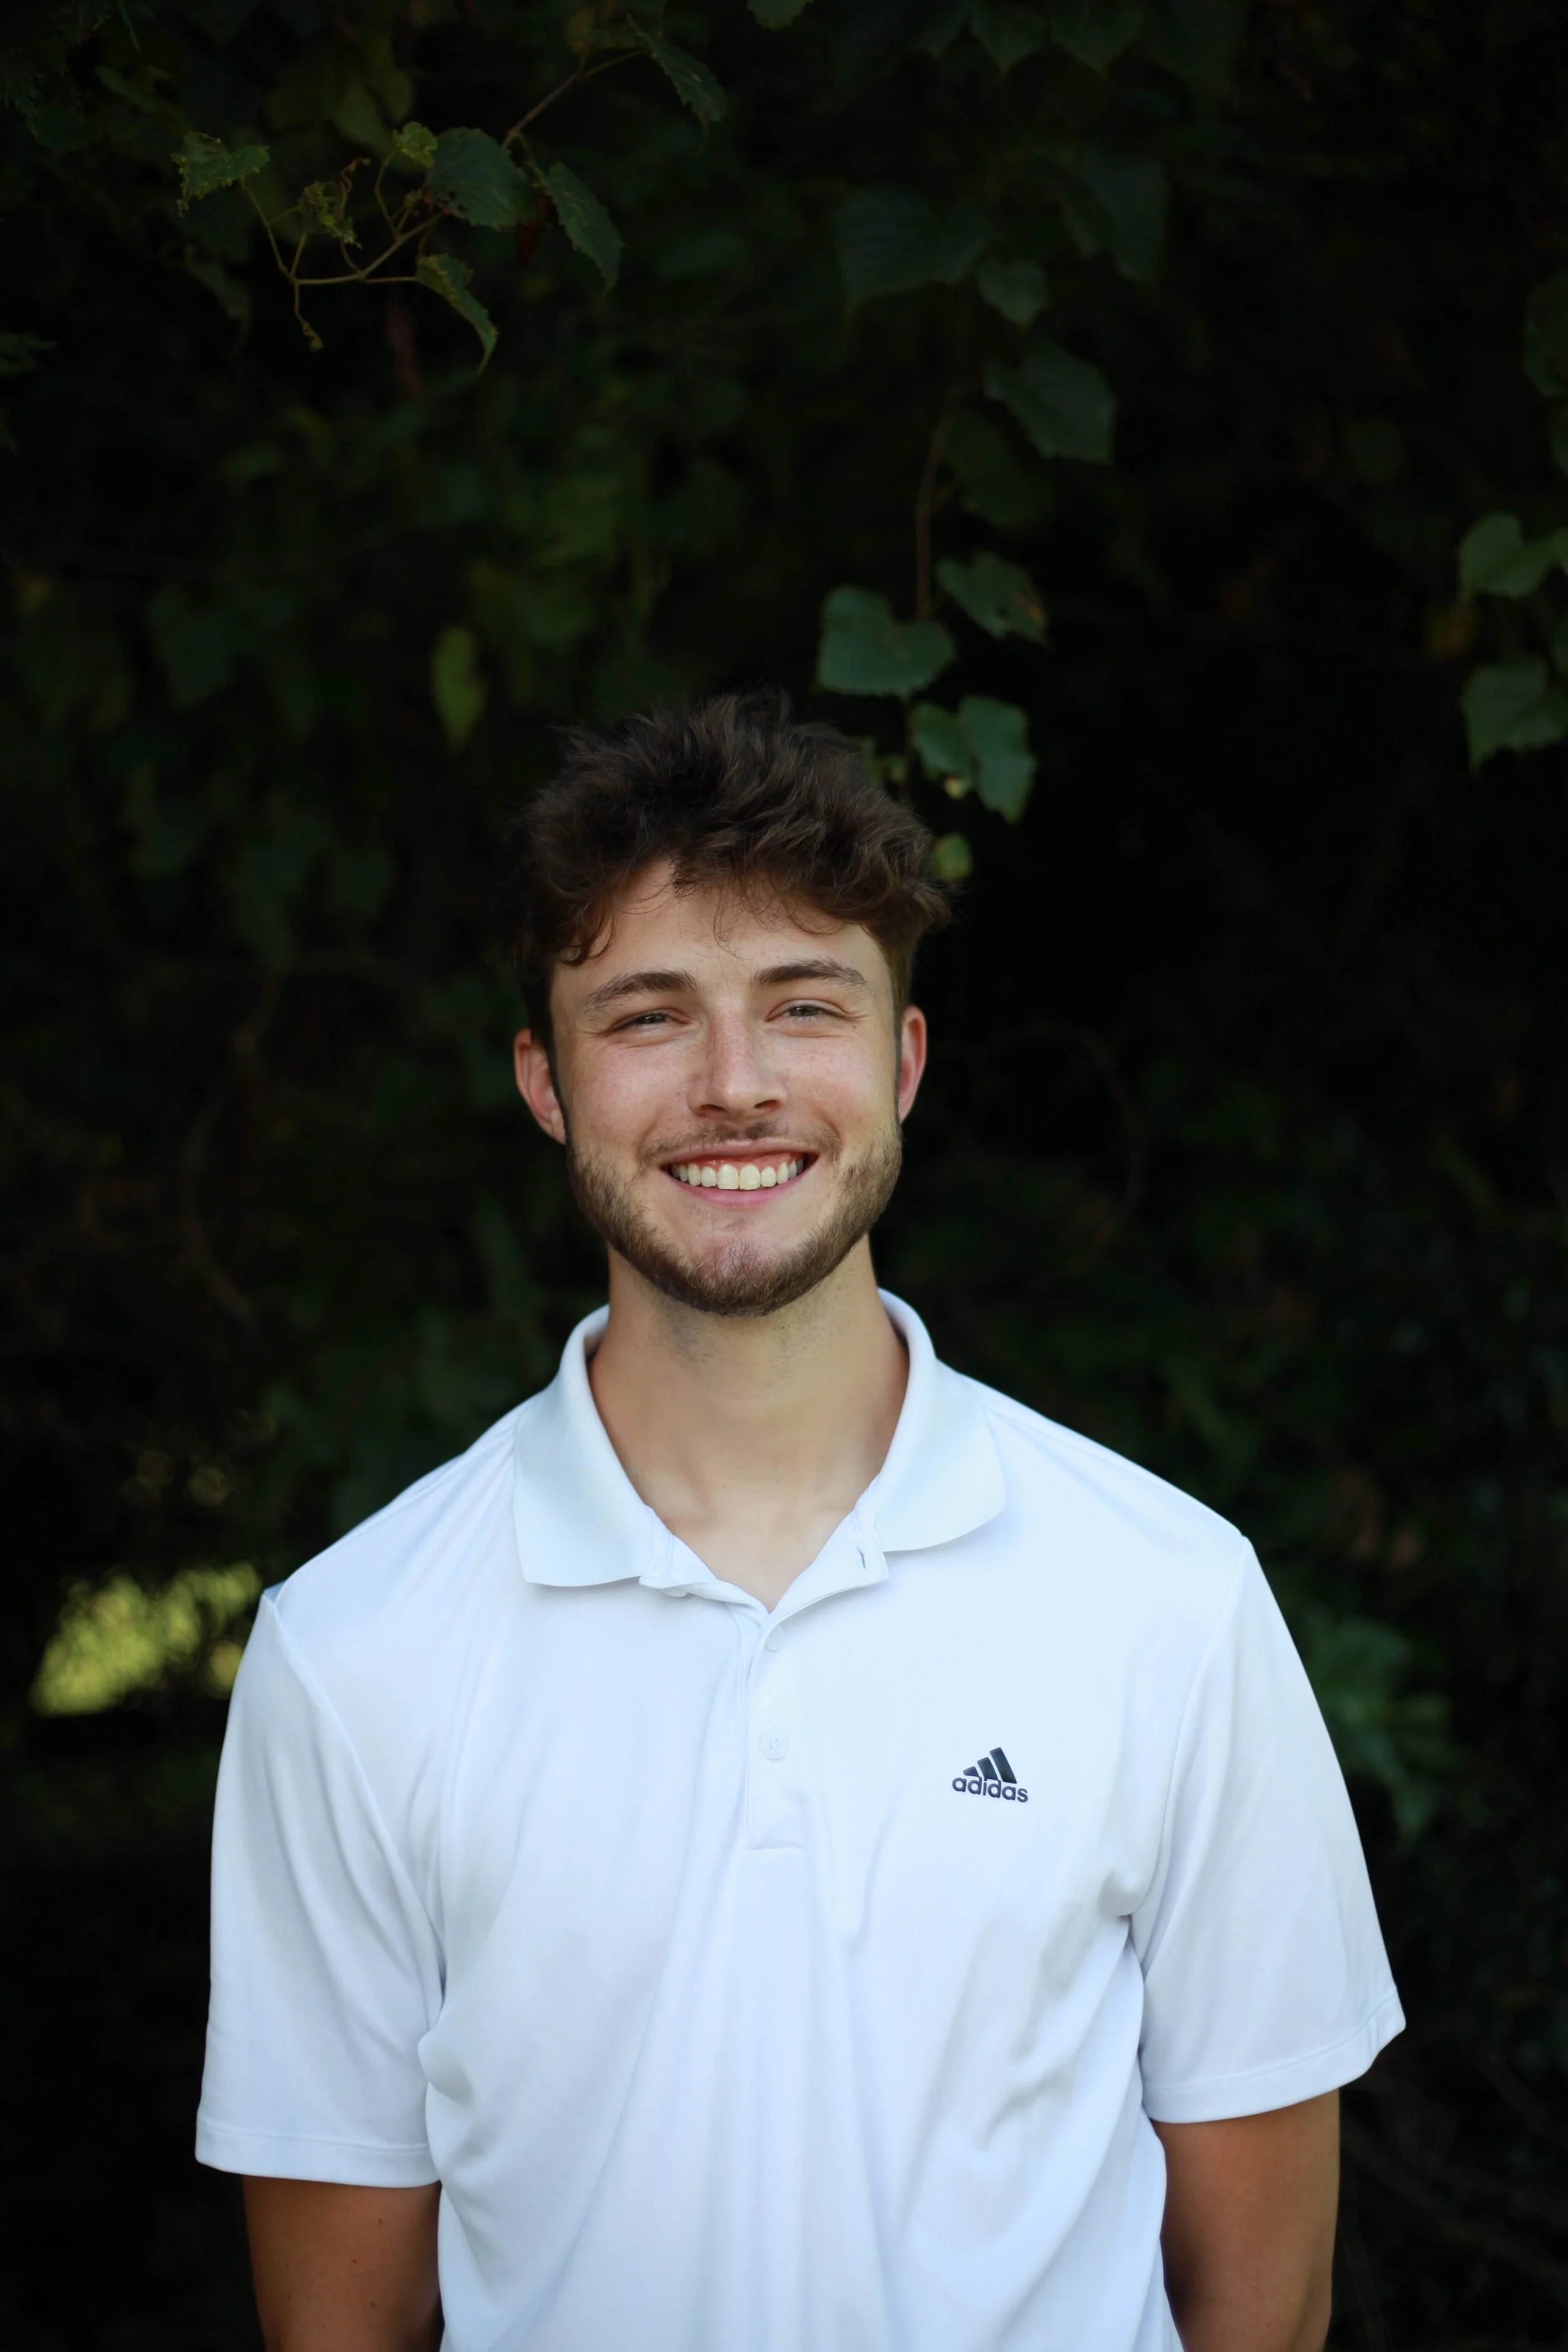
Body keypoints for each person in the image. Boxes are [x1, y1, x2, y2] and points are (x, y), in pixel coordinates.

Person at [196, 693, 1402, 2352]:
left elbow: (1258, 2296)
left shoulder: (1165, 1599)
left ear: (901, 1059)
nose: (735, 1084)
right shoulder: (355, 1654)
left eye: (803, 1005)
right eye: (647, 1016)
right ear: (543, 1081)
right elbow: (342, 2320)